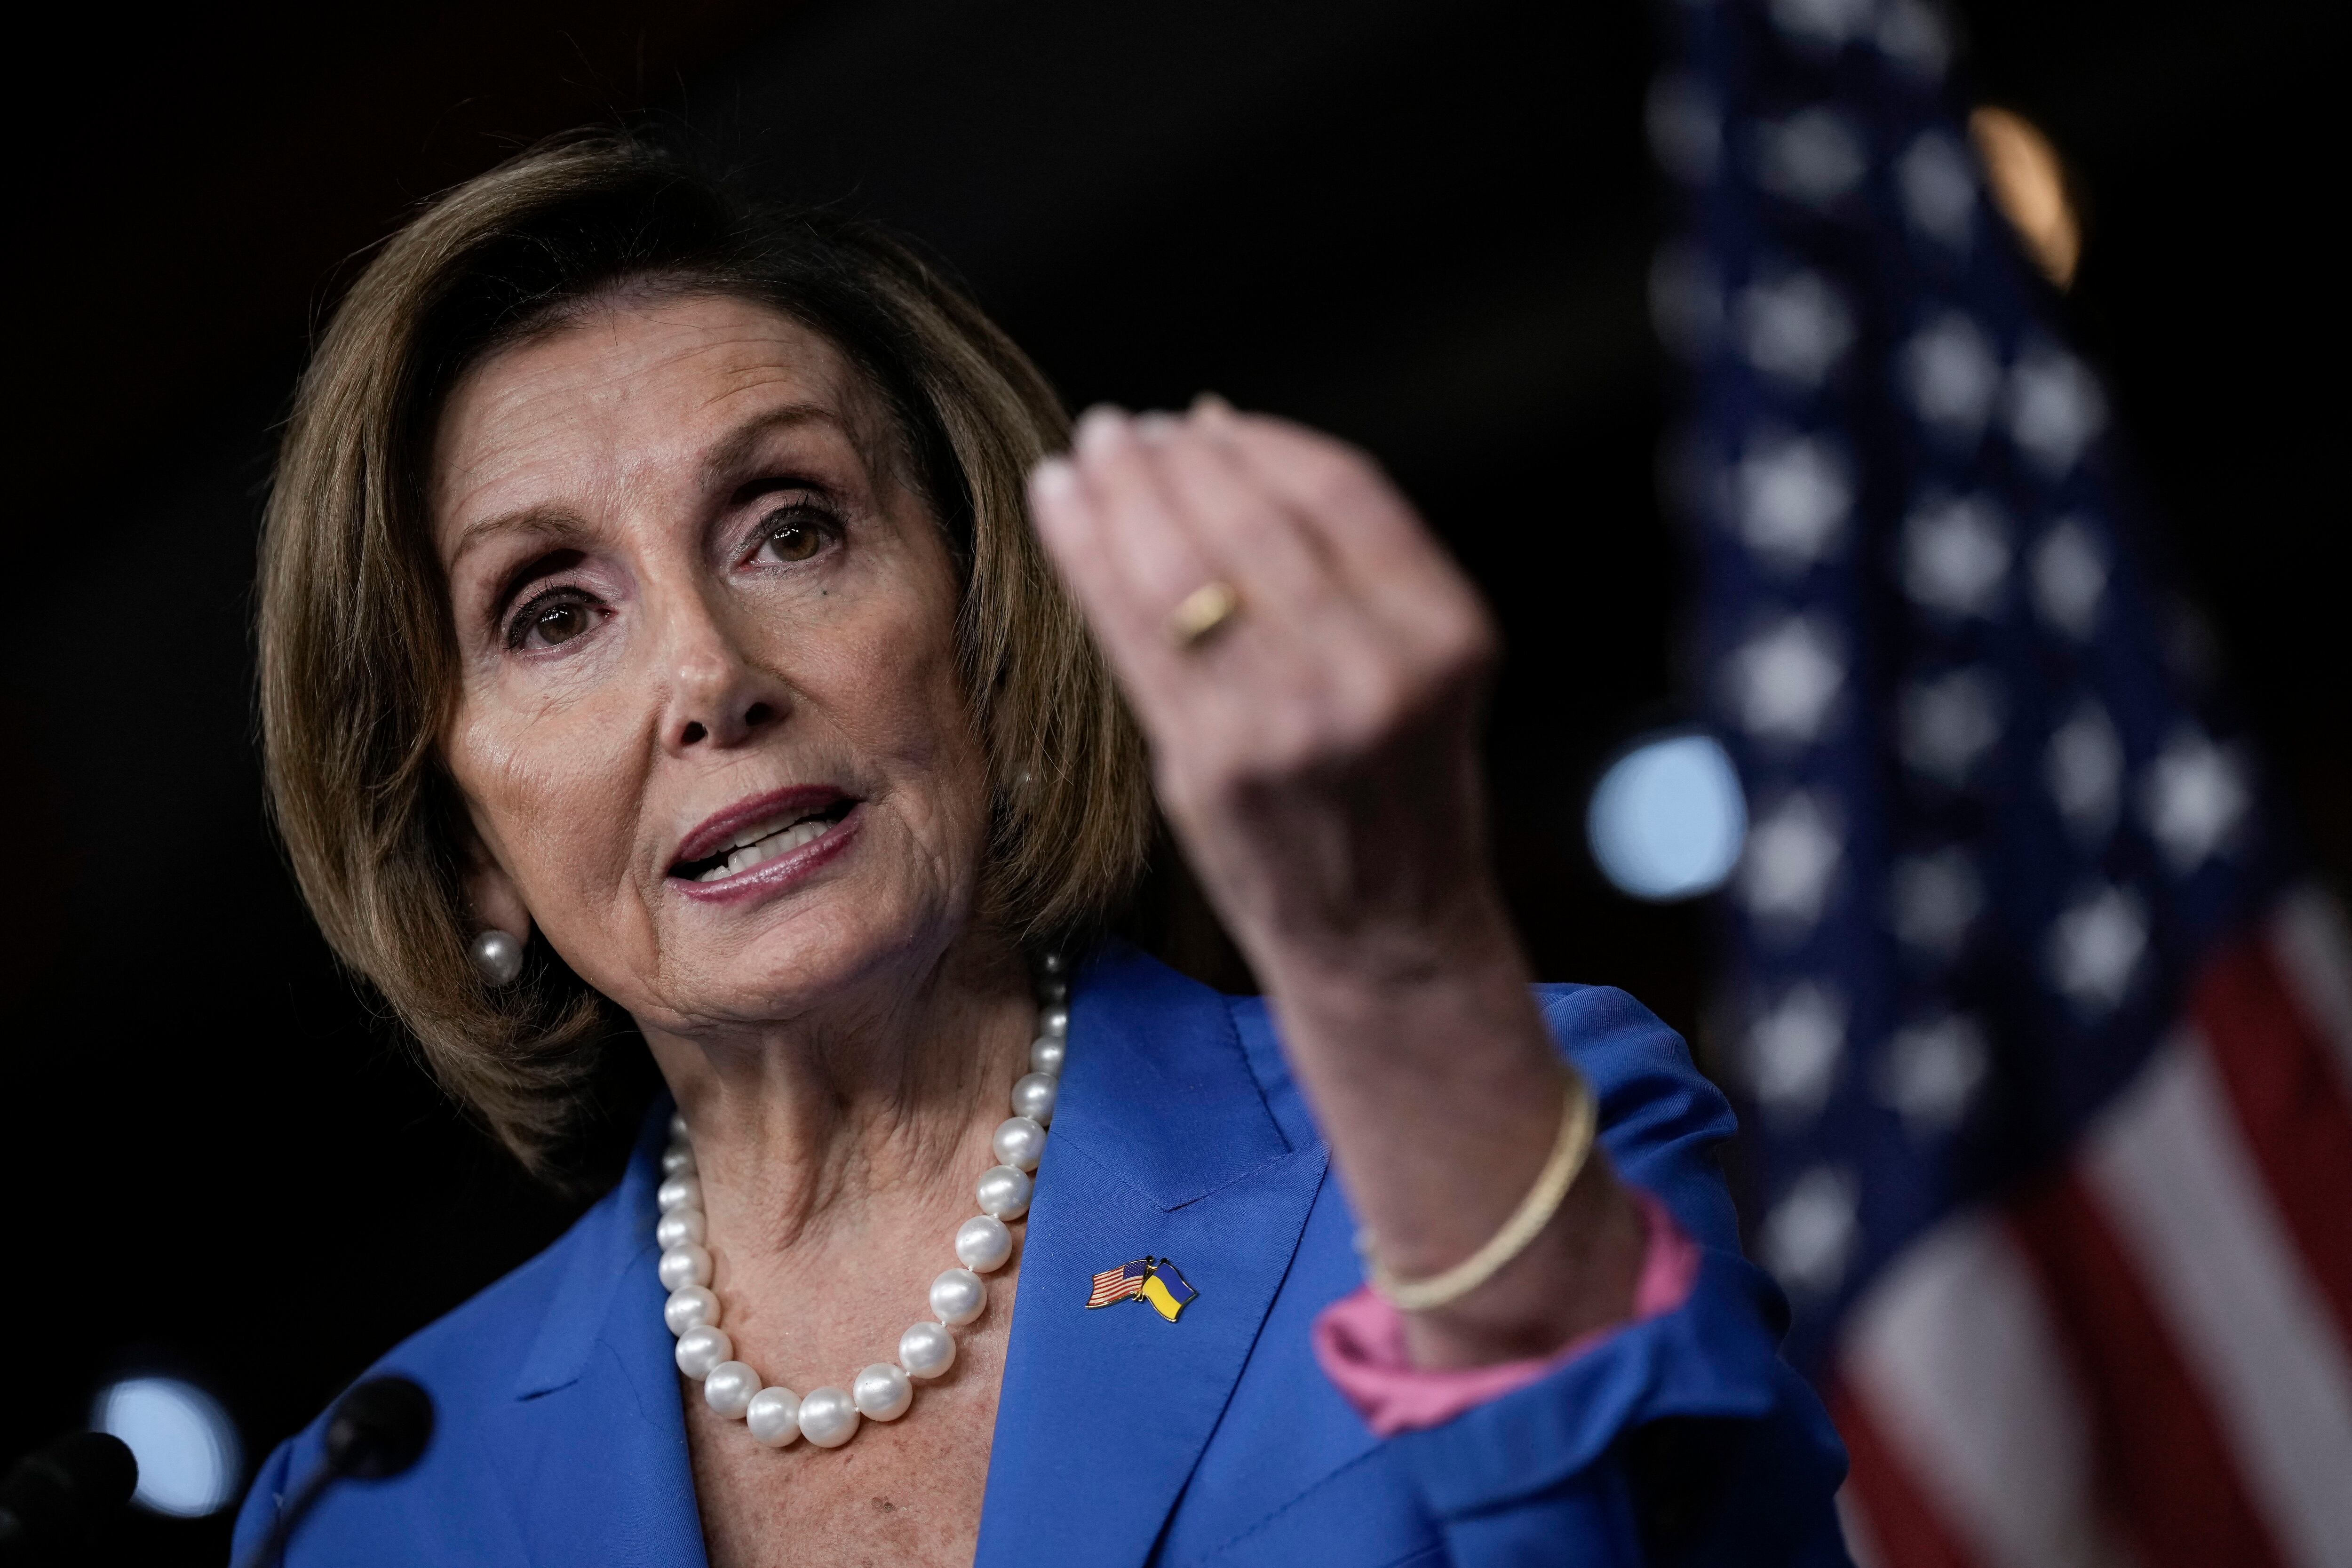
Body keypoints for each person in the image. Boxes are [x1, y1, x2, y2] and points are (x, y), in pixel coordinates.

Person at [231, 136, 1850, 1567]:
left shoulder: (1478, 1134)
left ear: (986, 624)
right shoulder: (376, 1501)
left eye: (792, 527)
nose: (709, 676)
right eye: (553, 614)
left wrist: (1398, 961)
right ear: (464, 853)